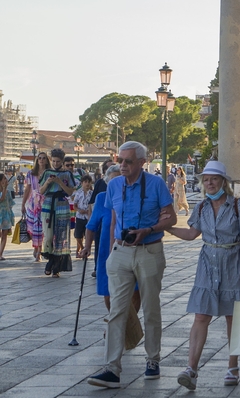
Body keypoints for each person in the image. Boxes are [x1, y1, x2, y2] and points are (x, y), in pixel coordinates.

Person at [166, 161, 240, 390]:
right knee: (201, 316)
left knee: (234, 316)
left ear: (224, 182)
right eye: (206, 180)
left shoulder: (239, 207)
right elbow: (191, 233)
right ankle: (191, 369)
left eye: (214, 179)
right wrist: (166, 229)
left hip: (234, 263)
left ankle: (233, 366)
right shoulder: (201, 208)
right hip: (208, 266)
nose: (209, 183)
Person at [87, 141, 176, 389]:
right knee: (117, 310)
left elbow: (172, 218)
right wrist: (112, 248)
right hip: (121, 251)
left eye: (127, 161)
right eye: (120, 160)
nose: (122, 165)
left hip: (149, 249)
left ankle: (153, 360)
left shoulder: (156, 184)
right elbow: (114, 218)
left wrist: (149, 229)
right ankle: (112, 369)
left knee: (150, 307)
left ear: (141, 163)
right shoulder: (113, 185)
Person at [80, 165, 122, 301]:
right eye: (112, 180)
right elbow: (91, 226)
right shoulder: (101, 198)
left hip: (127, 249)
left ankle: (124, 321)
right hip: (106, 251)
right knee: (107, 291)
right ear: (107, 182)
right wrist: (87, 247)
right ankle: (113, 319)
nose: (116, 183)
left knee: (131, 293)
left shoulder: (131, 196)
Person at [40, 149, 77, 278]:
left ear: (62, 161)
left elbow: (71, 192)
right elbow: (41, 190)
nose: (55, 164)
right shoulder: (46, 172)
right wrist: (47, 182)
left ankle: (55, 267)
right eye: (54, 161)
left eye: (58, 161)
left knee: (60, 238)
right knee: (48, 236)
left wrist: (60, 182)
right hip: (48, 205)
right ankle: (50, 261)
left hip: (62, 205)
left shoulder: (67, 173)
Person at [22, 152, 50, 261]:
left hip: (46, 202)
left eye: (44, 158)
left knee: (43, 228)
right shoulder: (31, 173)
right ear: (37, 160)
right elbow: (27, 189)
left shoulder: (49, 173)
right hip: (34, 203)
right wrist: (23, 204)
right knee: (35, 228)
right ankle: (37, 248)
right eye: (40, 158)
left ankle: (39, 249)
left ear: (47, 160)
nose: (42, 160)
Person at [73, 175, 94, 259]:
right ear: (82, 183)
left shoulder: (92, 194)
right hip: (80, 216)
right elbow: (74, 205)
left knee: (88, 235)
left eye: (89, 182)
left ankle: (85, 249)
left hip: (88, 217)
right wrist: (78, 210)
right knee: (78, 235)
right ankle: (81, 247)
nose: (87, 184)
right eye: (85, 182)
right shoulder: (78, 193)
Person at [0, 175, 15, 260]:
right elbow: (1, 199)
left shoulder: (8, 191)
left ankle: (0, 254)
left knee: (4, 235)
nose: (5, 180)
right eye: (4, 179)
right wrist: (5, 188)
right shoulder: (6, 190)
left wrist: (10, 215)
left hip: (6, 215)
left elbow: (10, 204)